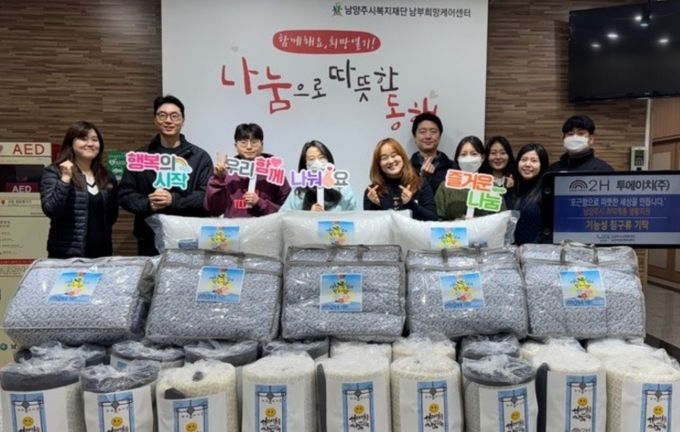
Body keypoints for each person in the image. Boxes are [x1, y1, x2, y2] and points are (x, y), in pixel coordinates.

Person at [119, 95, 213, 255]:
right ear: (155, 120)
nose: (168, 120)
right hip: (149, 238)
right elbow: (125, 194)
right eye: (162, 115)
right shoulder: (140, 157)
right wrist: (148, 204)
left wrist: (173, 201)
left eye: (174, 116)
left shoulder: (199, 157)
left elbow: (206, 196)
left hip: (189, 237)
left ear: (183, 120)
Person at [40, 121, 118, 258]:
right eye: (83, 138)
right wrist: (65, 178)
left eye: (95, 140)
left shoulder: (106, 176)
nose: (90, 143)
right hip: (67, 255)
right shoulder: (54, 172)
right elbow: (51, 210)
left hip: (101, 253)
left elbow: (111, 215)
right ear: (71, 143)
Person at [204, 123, 291, 217]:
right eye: (243, 142)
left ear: (262, 145)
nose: (249, 147)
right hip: (234, 226)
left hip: (266, 226)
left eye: (254, 142)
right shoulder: (227, 172)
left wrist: (260, 203)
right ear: (236, 146)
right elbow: (213, 209)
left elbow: (288, 210)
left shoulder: (274, 173)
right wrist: (218, 179)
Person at [364, 137, 437, 221]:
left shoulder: (420, 184)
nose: (391, 161)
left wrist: (410, 203)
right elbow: (369, 226)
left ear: (402, 157)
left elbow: (433, 219)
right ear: (378, 164)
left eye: (394, 155)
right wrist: (375, 205)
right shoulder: (373, 192)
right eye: (384, 158)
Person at [435, 136, 507, 220]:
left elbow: (502, 219)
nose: (468, 158)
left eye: (474, 154)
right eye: (463, 154)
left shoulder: (493, 187)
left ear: (482, 157)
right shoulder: (445, 187)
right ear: (457, 158)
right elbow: (437, 217)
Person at [280, 140, 357, 211]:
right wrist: (307, 214)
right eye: (311, 159)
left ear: (329, 160)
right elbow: (284, 216)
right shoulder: (298, 193)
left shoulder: (343, 188)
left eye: (321, 157)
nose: (317, 162)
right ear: (305, 164)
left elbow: (356, 215)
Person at [507, 143, 550, 245]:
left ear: (542, 165)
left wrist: (529, 249)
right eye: (524, 159)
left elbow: (547, 229)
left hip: (535, 250)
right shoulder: (511, 189)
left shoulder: (546, 192)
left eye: (534, 161)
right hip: (509, 250)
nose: (527, 164)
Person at [549, 115, 614, 172]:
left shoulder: (603, 170)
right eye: (570, 134)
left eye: (580, 133)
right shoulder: (553, 170)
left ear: (591, 139)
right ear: (563, 139)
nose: (575, 137)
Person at [409, 112, 453, 194]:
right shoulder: (406, 168)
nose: (428, 136)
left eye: (433, 131)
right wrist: (422, 178)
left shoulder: (452, 167)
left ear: (440, 136)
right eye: (422, 132)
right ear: (415, 136)